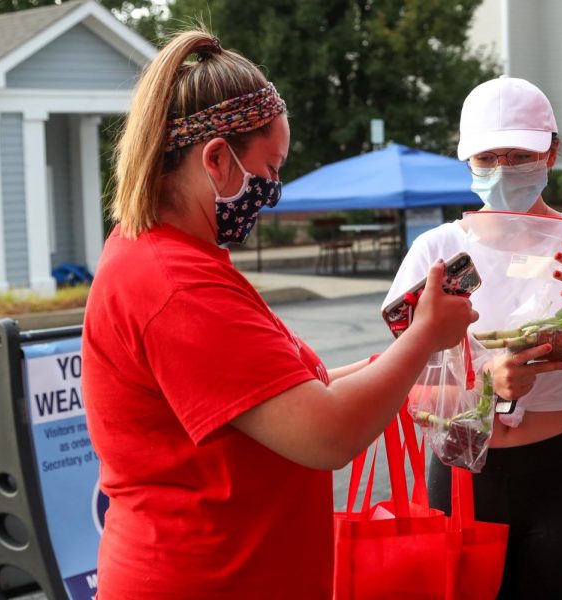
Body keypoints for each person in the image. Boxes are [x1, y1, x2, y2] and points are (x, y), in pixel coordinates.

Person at [81, 30, 477, 600]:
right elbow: (326, 434)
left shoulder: (172, 258)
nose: (273, 191)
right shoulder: (176, 285)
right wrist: (424, 338)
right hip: (206, 579)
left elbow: (280, 397)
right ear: (216, 158)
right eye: (269, 169)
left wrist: (393, 366)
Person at [382, 76, 562, 599]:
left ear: (551, 153)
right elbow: (402, 391)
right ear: (466, 159)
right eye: (487, 158)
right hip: (463, 473)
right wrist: (486, 383)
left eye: (519, 156)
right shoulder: (436, 252)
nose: (501, 170)